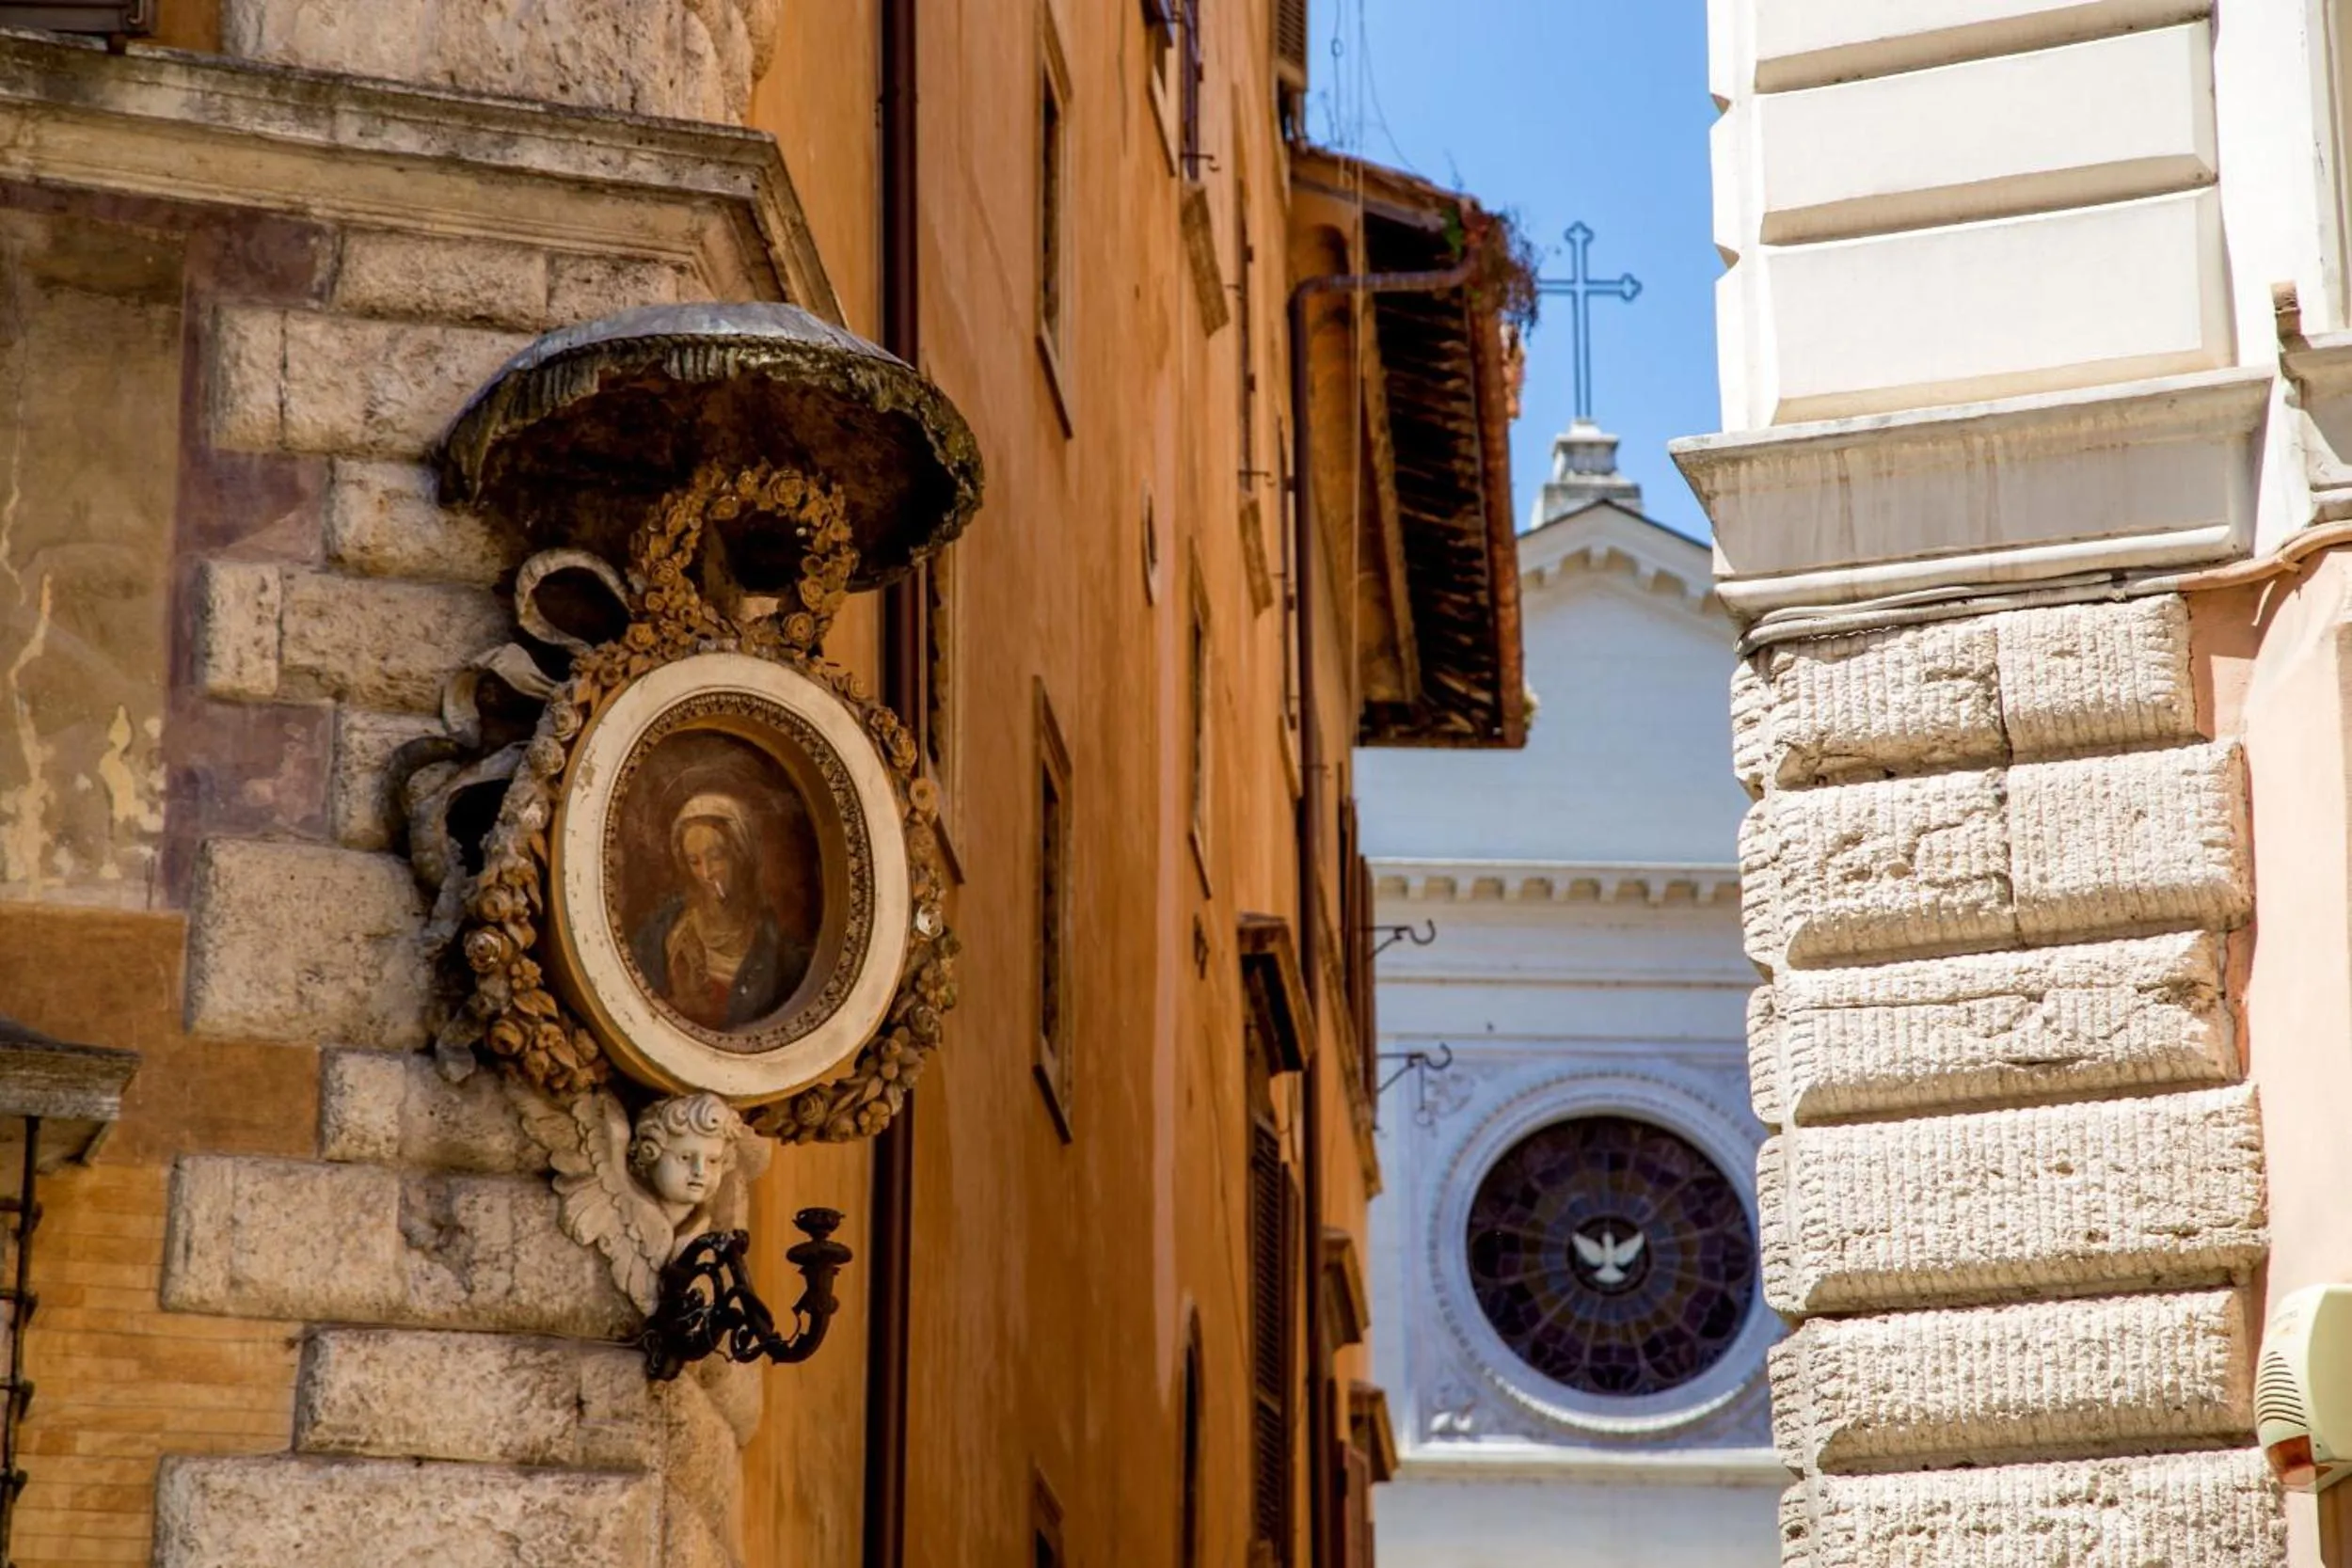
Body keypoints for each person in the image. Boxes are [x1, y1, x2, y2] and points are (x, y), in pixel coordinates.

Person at [630, 791, 811, 1029]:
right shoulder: (663, 931)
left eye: (716, 856)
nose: (706, 873)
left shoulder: (779, 953)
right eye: (694, 861)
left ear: (742, 855)